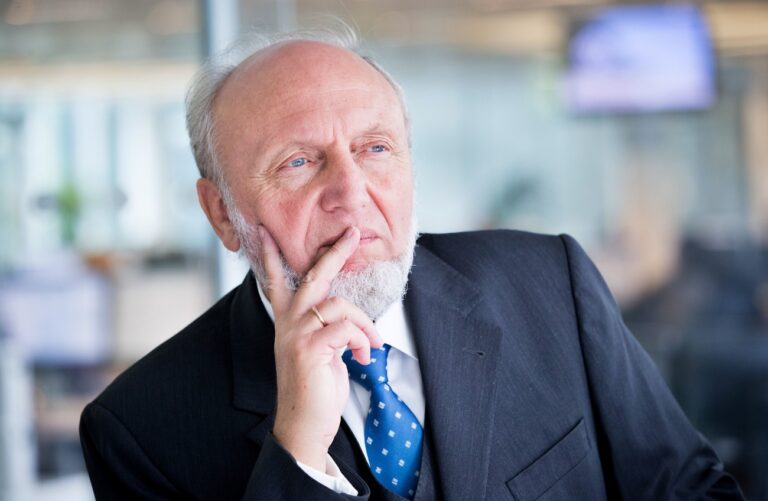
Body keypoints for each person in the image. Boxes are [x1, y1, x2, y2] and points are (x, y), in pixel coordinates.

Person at [79, 26, 743, 500]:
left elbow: (688, 487)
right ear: (222, 213)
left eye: (374, 149)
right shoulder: (140, 430)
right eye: (299, 162)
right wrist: (299, 454)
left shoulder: (550, 284)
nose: (352, 194)